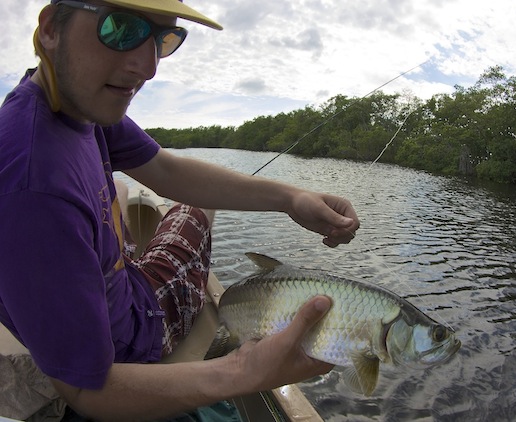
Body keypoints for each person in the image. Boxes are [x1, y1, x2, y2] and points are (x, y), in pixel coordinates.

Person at [0, 0, 360, 420]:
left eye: (164, 40)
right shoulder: (33, 186)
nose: (148, 67)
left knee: (118, 186)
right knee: (194, 206)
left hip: (117, 284)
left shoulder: (72, 102)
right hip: (138, 331)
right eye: (121, 29)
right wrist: (242, 370)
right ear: (49, 29)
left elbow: (164, 168)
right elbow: (88, 390)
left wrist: (290, 198)